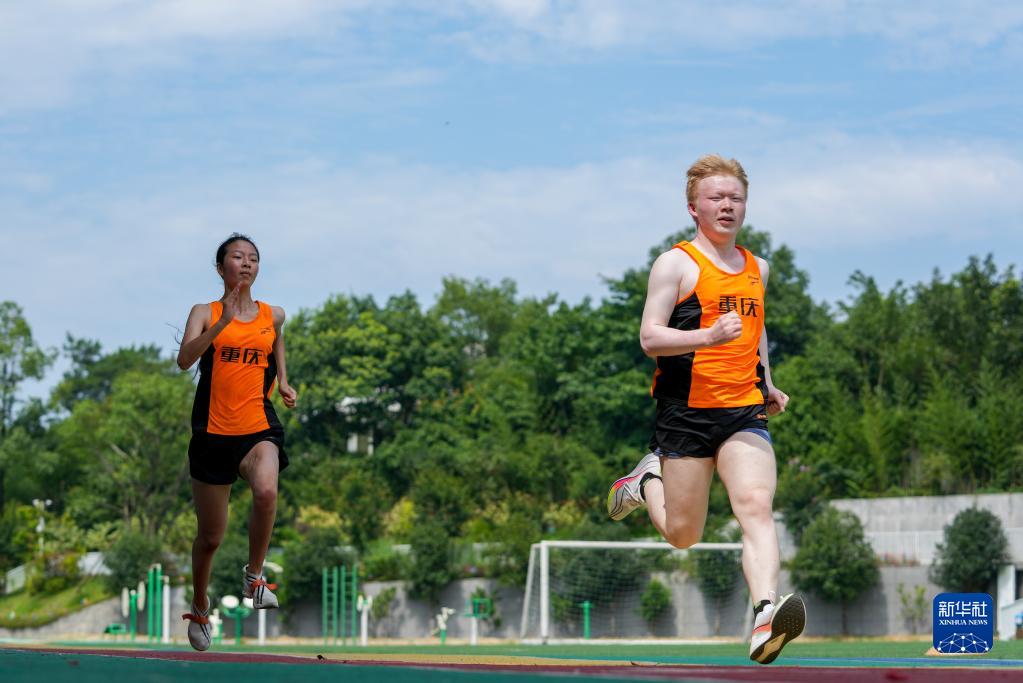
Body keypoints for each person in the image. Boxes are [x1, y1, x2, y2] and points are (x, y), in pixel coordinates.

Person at [606, 154, 805, 664]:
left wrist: (767, 382)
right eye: (716, 197)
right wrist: (707, 336)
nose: (727, 205)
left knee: (755, 503)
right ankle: (645, 481)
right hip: (686, 413)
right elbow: (649, 337)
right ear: (694, 207)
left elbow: (756, 333)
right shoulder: (676, 264)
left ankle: (765, 616)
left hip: (743, 411)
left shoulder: (758, 268)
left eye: (736, 197)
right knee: (684, 534)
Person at [176, 233, 297, 651]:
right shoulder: (204, 312)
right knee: (211, 537)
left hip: (257, 426)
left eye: (253, 258)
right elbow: (184, 360)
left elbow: (276, 339)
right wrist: (223, 322)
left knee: (266, 490)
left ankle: (255, 575)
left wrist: (283, 380)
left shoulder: (273, 314)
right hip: (212, 434)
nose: (246, 263)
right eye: (237, 257)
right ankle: (199, 605)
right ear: (220, 267)